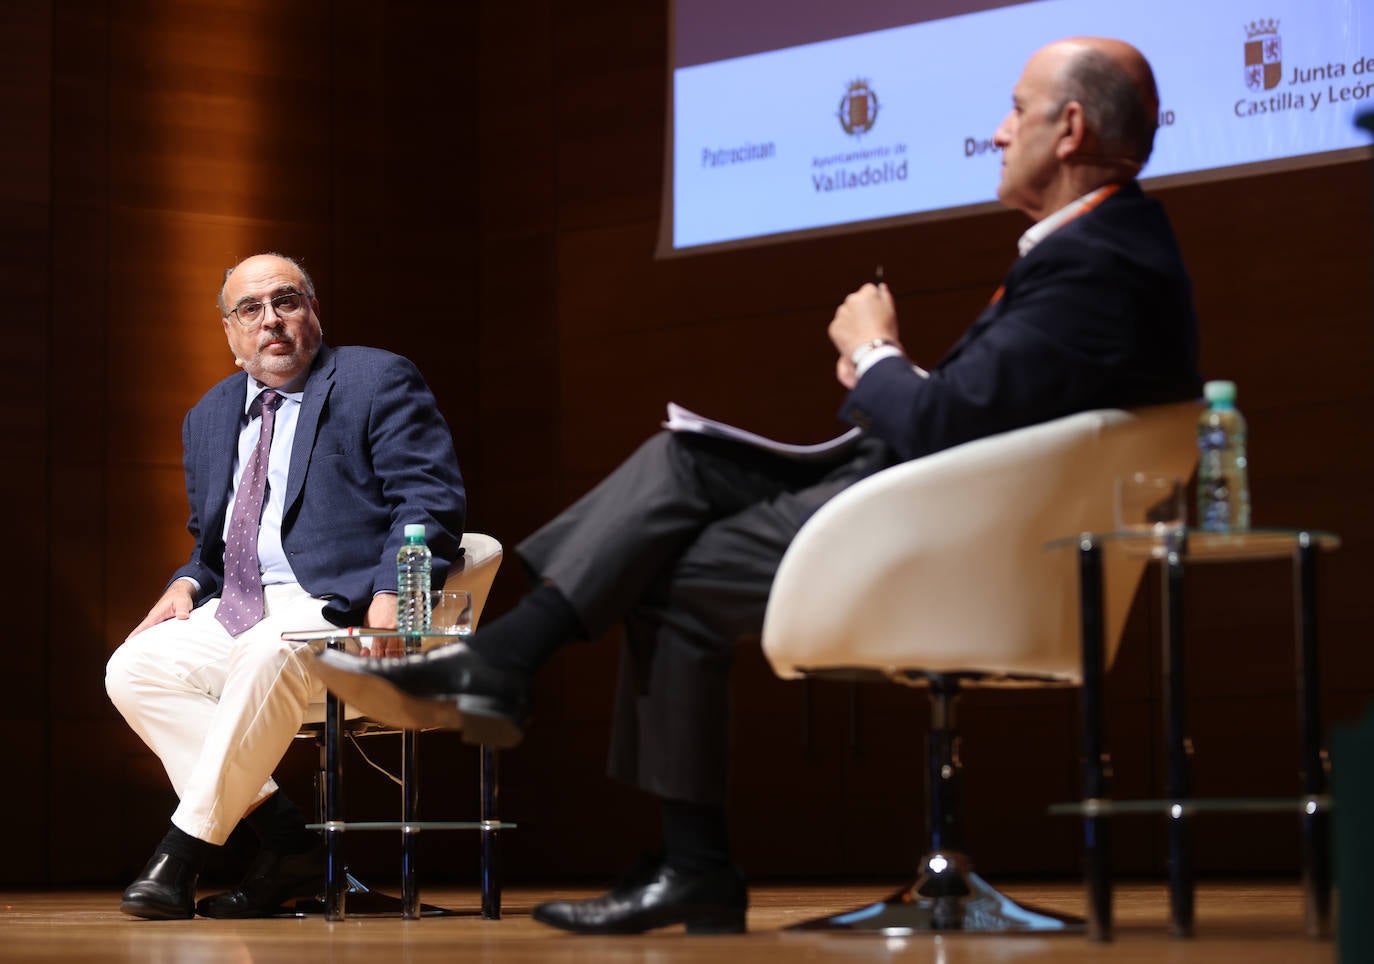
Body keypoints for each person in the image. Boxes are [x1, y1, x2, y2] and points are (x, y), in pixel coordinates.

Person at [309, 36, 1203, 935]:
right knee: (678, 467)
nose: (999, 130)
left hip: (955, 545)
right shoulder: (1105, 249)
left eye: (1016, 107)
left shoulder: (1100, 261)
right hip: (932, 514)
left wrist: (873, 353)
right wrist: (890, 378)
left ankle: (576, 740)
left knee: (669, 561)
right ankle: (532, 696)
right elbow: (987, 419)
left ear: (1072, 125)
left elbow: (945, 426)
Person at [105, 253, 466, 920]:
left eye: (287, 301)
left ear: (313, 312)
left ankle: (181, 855)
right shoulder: (208, 415)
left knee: (272, 647)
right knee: (133, 668)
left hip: (344, 606)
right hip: (241, 608)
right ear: (229, 332)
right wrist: (187, 580)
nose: (271, 319)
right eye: (251, 309)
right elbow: (210, 543)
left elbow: (428, 501)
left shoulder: (375, 379)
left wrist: (391, 594)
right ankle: (289, 843)